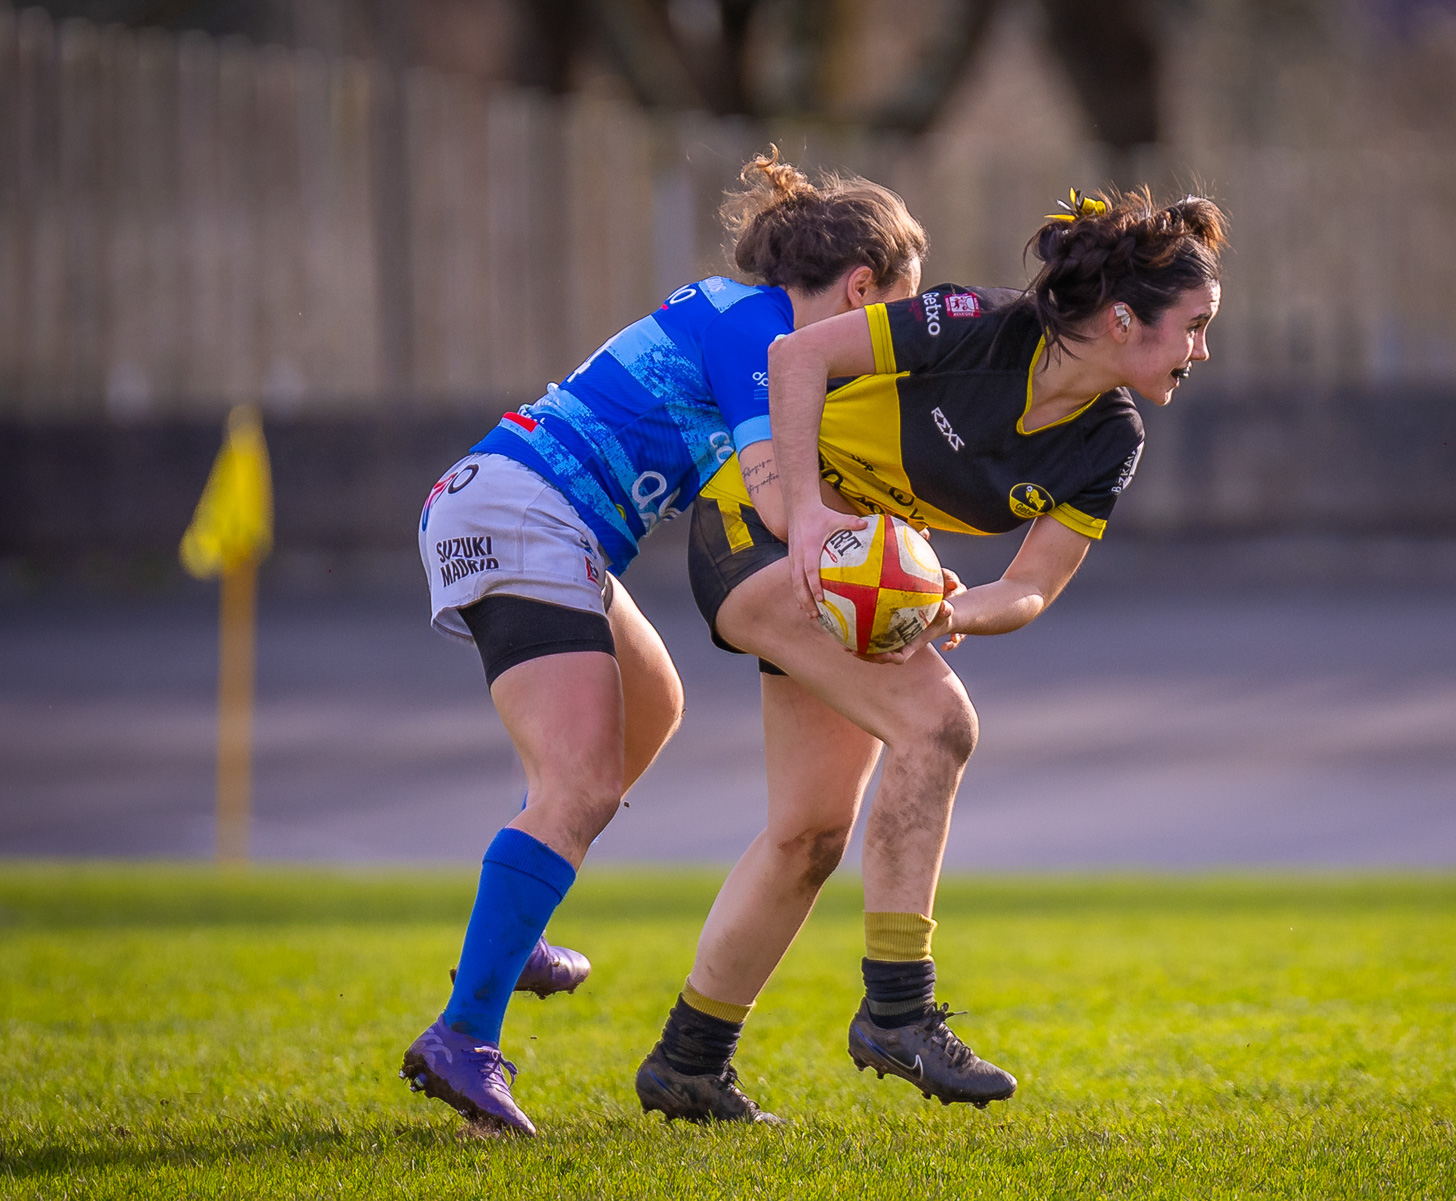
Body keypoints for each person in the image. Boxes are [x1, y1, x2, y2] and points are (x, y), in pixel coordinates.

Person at [636, 187, 1227, 1121]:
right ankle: (898, 1012)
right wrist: (806, 518)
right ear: (1125, 319)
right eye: (1194, 326)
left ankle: (690, 1061)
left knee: (809, 834)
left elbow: (1029, 586)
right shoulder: (978, 323)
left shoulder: (1112, 438)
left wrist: (957, 610)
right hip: (758, 531)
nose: (1201, 350)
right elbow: (793, 358)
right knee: (939, 723)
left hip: (859, 587)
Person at [399, 151, 927, 1135]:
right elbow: (776, 498)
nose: (883, 345)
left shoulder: (744, 317)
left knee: (656, 703)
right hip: (525, 516)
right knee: (582, 784)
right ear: (860, 290)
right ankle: (465, 1037)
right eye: (891, 316)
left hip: (532, 516)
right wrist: (896, 563)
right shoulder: (762, 332)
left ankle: (517, 927)